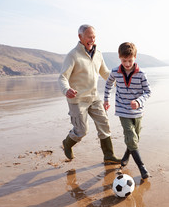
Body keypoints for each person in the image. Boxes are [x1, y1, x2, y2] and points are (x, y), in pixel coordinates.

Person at [58, 24, 121, 164]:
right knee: (82, 130)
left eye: (94, 37)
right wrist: (66, 89)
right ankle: (67, 143)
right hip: (77, 99)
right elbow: (62, 77)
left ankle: (109, 155)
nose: (92, 40)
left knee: (104, 124)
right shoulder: (72, 55)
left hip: (94, 97)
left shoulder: (98, 54)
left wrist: (120, 83)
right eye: (89, 37)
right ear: (80, 37)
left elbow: (105, 73)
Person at [103, 42, 151, 179]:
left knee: (134, 138)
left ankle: (126, 155)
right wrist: (106, 99)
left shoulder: (141, 74)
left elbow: (148, 92)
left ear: (135, 58)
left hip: (138, 112)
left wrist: (138, 101)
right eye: (124, 61)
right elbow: (108, 84)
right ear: (119, 58)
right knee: (131, 136)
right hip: (122, 110)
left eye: (130, 60)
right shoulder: (115, 72)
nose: (127, 64)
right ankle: (142, 167)